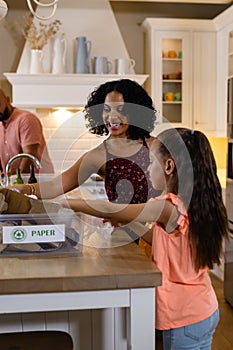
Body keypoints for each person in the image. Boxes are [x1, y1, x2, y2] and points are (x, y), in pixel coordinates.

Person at [56, 127, 229, 350]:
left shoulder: (168, 207)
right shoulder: (193, 202)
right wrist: (131, 226)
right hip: (204, 308)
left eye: (150, 162)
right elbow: (171, 247)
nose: (146, 169)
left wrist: (67, 201)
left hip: (183, 318)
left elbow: (113, 208)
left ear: (168, 166)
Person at [10, 79, 159, 206]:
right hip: (125, 233)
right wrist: (22, 190)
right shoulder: (98, 155)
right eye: (106, 109)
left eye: (121, 110)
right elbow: (55, 186)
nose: (112, 117)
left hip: (160, 231)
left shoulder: (155, 146)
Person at [0, 88, 54, 175]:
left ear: (7, 100)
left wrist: (17, 180)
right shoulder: (1, 125)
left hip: (39, 181)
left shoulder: (26, 119)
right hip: (17, 182)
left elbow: (29, 155)